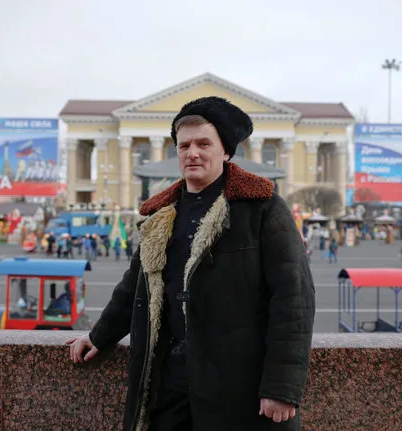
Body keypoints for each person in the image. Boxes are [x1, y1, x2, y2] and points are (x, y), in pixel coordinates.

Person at [66, 96, 315, 430]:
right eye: (183, 146)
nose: (192, 153)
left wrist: (282, 386)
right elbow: (134, 288)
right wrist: (99, 336)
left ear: (225, 151)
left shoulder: (262, 208)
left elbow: (294, 298)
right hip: (171, 378)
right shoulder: (162, 214)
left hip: (238, 380)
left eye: (203, 143)